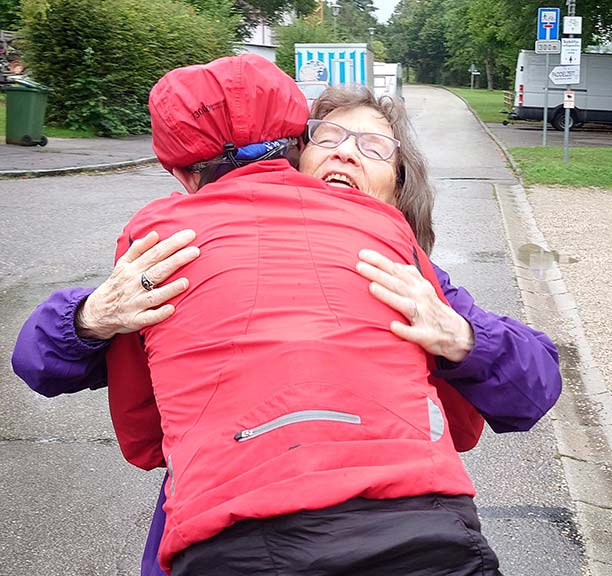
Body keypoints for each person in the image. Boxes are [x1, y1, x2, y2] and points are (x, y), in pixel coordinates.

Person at [11, 54, 560, 575]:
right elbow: (39, 361)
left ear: (399, 185)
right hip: (243, 519)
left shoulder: (415, 283)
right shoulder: (172, 262)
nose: (347, 153)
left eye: (374, 147)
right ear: (292, 152)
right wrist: (88, 318)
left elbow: (535, 386)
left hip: (353, 523)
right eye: (330, 137)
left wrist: (466, 337)